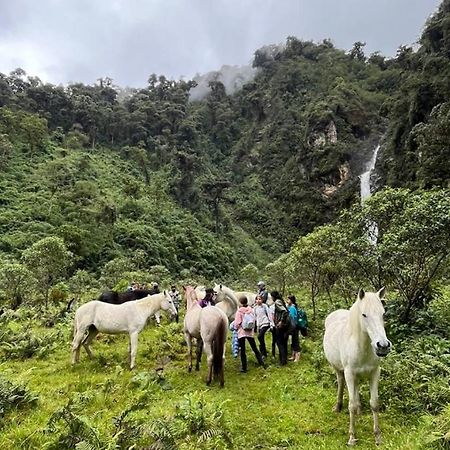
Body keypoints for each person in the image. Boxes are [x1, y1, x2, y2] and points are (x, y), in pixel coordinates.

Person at [234, 296, 265, 373]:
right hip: (250, 332)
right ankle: (262, 363)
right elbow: (254, 319)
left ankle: (244, 367)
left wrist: (236, 328)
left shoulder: (239, 311)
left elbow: (237, 323)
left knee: (243, 350)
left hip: (241, 332)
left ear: (240, 302)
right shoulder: (251, 310)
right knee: (254, 348)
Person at [271, 290, 290, 366]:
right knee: (283, 342)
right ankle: (284, 359)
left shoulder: (277, 302)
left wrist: (281, 321)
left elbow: (284, 311)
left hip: (280, 326)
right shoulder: (280, 301)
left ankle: (282, 361)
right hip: (284, 325)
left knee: (280, 343)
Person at [287, 294, 301, 362]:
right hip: (294, 326)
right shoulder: (291, 307)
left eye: (288, 299)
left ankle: (297, 357)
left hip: (294, 326)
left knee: (295, 341)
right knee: (293, 341)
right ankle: (293, 355)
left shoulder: (292, 308)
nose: (287, 301)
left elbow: (291, 317)